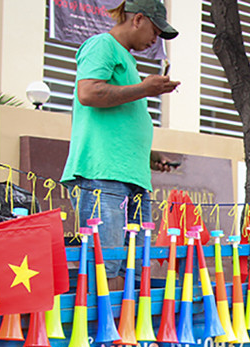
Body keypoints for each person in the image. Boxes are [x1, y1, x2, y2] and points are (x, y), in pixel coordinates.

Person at [61, 0, 179, 290]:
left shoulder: (126, 59)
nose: (156, 40)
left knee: (136, 267)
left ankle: (126, 330)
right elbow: (88, 92)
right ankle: (109, 333)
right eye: (155, 30)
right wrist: (145, 88)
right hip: (104, 175)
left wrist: (146, 155)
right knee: (109, 266)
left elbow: (118, 120)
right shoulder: (102, 45)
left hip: (128, 175)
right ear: (138, 19)